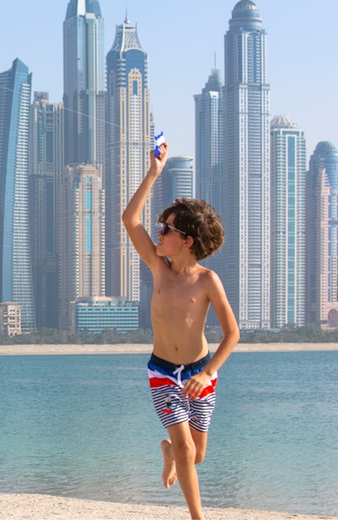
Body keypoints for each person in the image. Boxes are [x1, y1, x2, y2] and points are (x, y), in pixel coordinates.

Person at [121, 143, 240, 520]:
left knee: (196, 454)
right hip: (161, 373)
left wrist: (206, 373)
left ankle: (168, 451)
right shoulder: (158, 267)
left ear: (186, 240)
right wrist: (154, 172)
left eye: (165, 229)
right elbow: (129, 219)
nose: (157, 233)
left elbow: (232, 334)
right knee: (189, 451)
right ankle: (197, 517)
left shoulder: (207, 281)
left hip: (199, 374)